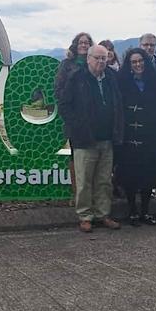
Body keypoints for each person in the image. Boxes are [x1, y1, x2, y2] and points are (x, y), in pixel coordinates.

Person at [57, 44, 124, 232]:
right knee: (84, 180)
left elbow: (118, 103)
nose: (101, 62)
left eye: (104, 58)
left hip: (107, 138)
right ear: (88, 59)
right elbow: (64, 105)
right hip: (85, 139)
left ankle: (103, 213)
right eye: (97, 58)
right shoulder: (76, 77)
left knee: (104, 180)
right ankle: (85, 216)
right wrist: (77, 127)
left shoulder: (111, 77)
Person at [114, 48, 156, 226]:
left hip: (150, 135)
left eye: (140, 61)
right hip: (129, 136)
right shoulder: (122, 82)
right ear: (129, 64)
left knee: (148, 175)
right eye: (134, 62)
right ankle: (132, 211)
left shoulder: (155, 81)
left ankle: (145, 211)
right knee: (130, 175)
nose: (138, 65)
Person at [55, 32, 94, 99]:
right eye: (80, 43)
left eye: (86, 43)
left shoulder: (94, 64)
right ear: (75, 45)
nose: (83, 45)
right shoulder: (66, 64)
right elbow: (58, 87)